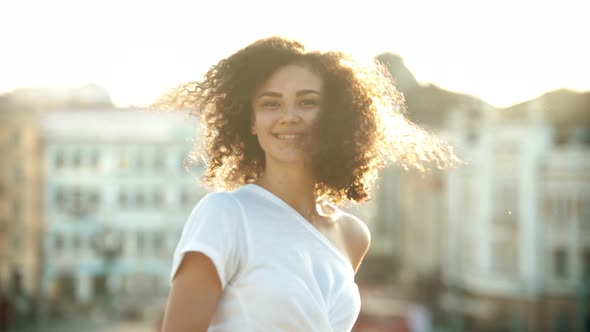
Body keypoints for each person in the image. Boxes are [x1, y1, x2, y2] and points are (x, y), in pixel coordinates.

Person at [156, 36, 457, 332]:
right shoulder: (225, 214)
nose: (289, 116)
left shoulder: (352, 235)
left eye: (307, 102)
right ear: (251, 121)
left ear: (333, 116)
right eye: (271, 104)